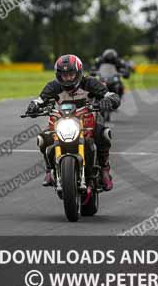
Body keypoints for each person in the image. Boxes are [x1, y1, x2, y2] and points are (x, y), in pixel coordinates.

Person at [26, 54, 120, 191]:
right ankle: (49, 169)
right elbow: (39, 100)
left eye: (71, 74)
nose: (68, 78)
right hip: (63, 120)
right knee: (42, 138)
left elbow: (110, 95)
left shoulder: (90, 83)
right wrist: (33, 107)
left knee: (104, 134)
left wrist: (110, 100)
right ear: (58, 75)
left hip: (88, 119)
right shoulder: (53, 86)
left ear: (79, 72)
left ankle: (105, 170)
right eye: (64, 75)